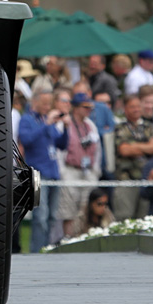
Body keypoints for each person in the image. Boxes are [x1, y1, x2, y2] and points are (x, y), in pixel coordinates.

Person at [18, 89, 68, 252]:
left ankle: (48, 248)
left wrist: (66, 128)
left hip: (54, 173)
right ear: (35, 102)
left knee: (53, 216)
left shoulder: (48, 119)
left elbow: (61, 144)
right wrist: (45, 125)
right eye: (45, 103)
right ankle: (36, 251)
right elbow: (26, 140)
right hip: (38, 175)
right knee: (41, 216)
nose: (48, 107)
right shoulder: (27, 120)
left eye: (49, 103)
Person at [57, 93, 102, 238]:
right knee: (69, 210)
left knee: (87, 209)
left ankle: (85, 240)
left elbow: (98, 151)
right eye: (85, 107)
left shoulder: (90, 126)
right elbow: (59, 150)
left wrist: (95, 171)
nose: (88, 110)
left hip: (87, 172)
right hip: (70, 170)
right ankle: (69, 240)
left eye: (90, 107)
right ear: (75, 108)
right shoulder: (64, 123)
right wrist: (62, 172)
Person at [111, 95, 153, 220]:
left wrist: (134, 145)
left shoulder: (149, 127)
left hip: (146, 179)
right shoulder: (120, 128)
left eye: (138, 106)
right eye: (132, 106)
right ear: (125, 109)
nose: (136, 109)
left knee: (143, 218)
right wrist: (146, 147)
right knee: (125, 216)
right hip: (126, 178)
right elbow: (125, 150)